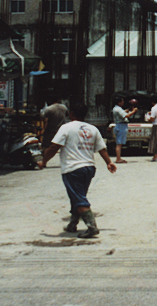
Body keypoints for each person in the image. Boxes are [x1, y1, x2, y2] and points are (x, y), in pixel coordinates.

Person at [37, 102, 116, 238]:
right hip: (89, 168)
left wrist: (44, 161)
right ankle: (72, 224)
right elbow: (101, 148)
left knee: (79, 198)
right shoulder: (93, 129)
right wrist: (109, 162)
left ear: (72, 114)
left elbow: (53, 147)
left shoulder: (66, 128)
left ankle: (92, 227)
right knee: (78, 196)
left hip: (72, 169)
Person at [111, 96, 137, 164]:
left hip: (118, 125)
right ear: (119, 102)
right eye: (122, 101)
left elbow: (123, 113)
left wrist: (127, 110)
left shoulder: (116, 108)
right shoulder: (118, 109)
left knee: (119, 143)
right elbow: (127, 116)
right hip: (121, 126)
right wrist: (133, 112)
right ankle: (118, 158)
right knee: (119, 143)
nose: (123, 102)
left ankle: (119, 157)